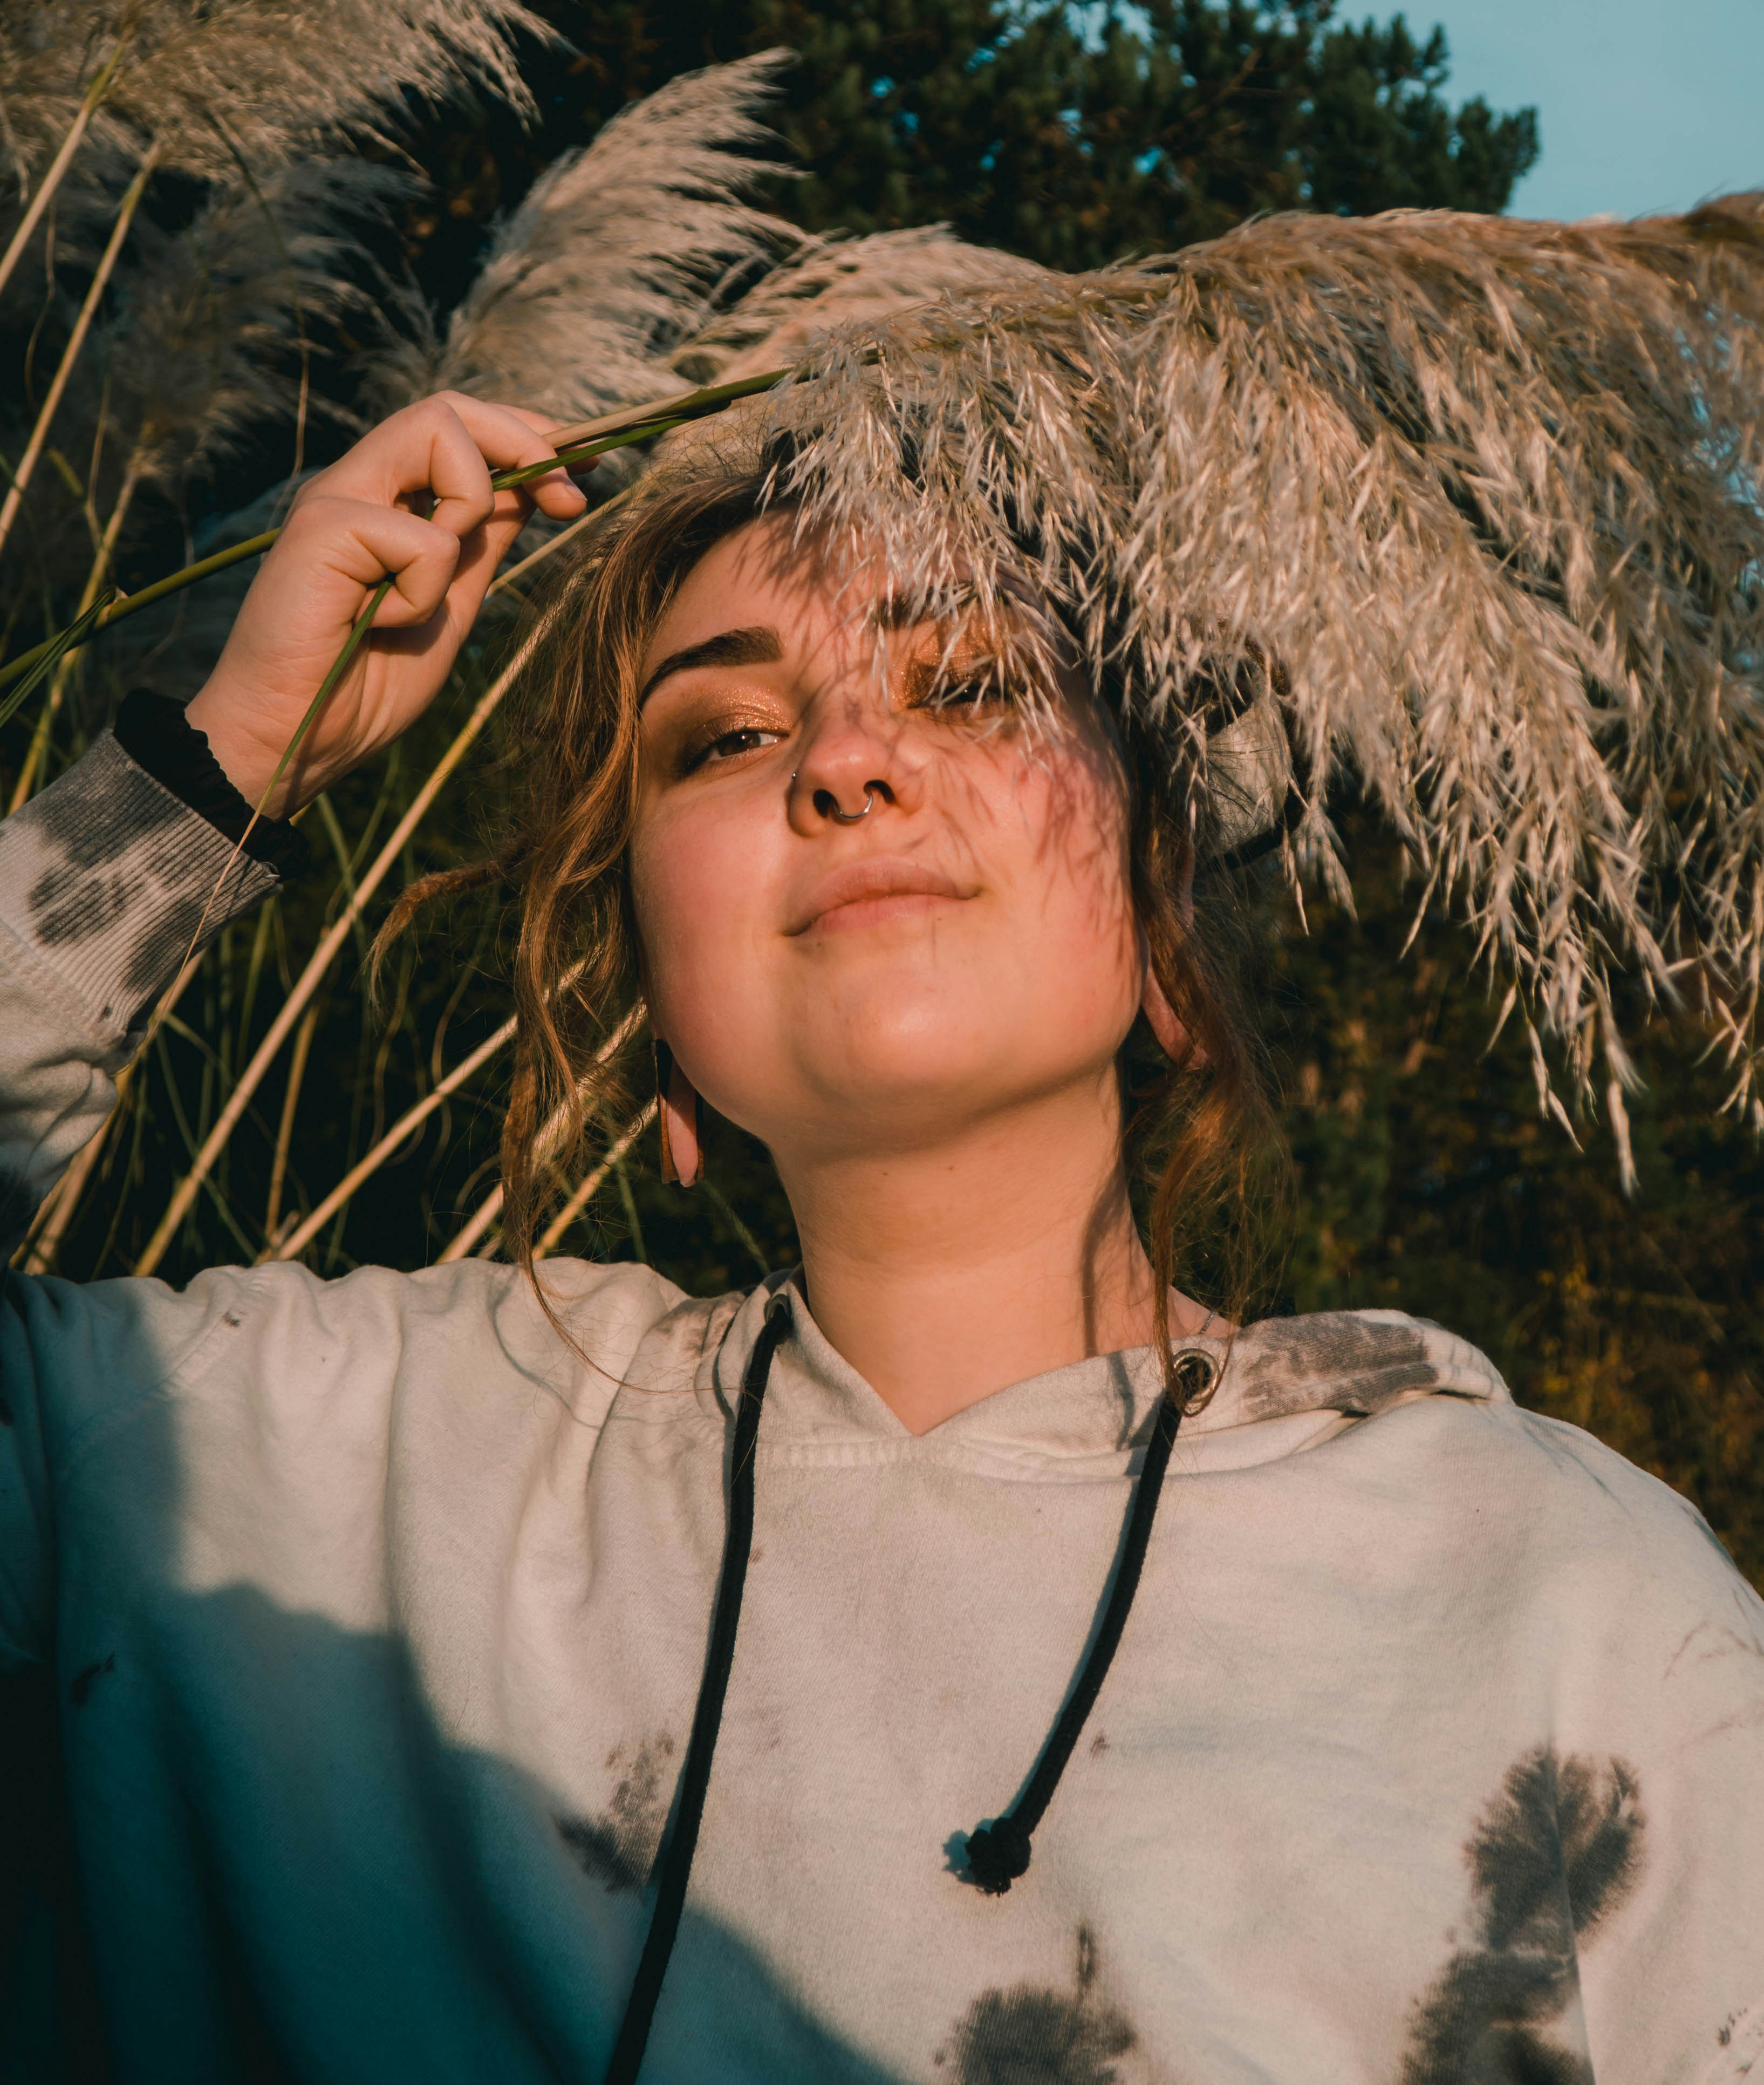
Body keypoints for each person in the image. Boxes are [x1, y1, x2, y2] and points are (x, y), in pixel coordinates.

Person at [1, 382, 1760, 2085]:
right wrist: (216, 759)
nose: (847, 759)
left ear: (1164, 936)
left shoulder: (1552, 1586)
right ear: (657, 1021)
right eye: (729, 736)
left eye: (973, 684)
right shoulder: (319, 1469)